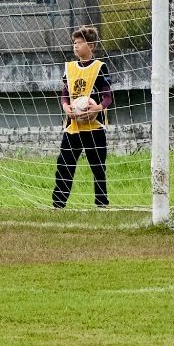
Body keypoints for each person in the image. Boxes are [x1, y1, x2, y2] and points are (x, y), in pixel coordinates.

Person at [52, 26, 112, 209]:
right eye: (74, 43)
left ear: (91, 46)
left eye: (79, 43)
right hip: (73, 127)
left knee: (98, 168)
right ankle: (58, 205)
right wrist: (65, 107)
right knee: (64, 165)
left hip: (94, 127)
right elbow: (64, 93)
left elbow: (108, 96)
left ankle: (101, 205)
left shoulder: (100, 67)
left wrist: (98, 108)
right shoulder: (69, 68)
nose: (75, 46)